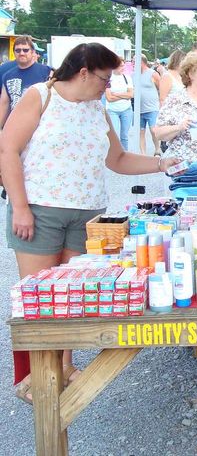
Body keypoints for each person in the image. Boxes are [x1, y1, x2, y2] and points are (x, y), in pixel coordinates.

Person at [0, 43, 181, 404]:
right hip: (40, 210)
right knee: (39, 298)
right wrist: (19, 206)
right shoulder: (40, 97)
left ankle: (64, 365)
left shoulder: (98, 109)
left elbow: (118, 159)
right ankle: (35, 376)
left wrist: (161, 164)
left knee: (70, 298)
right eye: (104, 78)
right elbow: (7, 150)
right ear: (83, 72)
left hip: (86, 215)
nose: (108, 86)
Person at [0, 36, 51, 128]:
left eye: (25, 50)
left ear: (33, 52)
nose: (22, 53)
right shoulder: (7, 76)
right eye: (18, 50)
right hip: (15, 126)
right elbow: (4, 103)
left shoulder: (47, 72)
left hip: (40, 126)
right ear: (14, 53)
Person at [105, 62, 134, 150]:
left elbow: (131, 95)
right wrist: (124, 96)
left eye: (123, 65)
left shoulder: (127, 78)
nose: (123, 67)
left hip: (126, 109)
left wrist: (116, 94)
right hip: (112, 110)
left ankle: (125, 153)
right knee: (115, 135)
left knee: (124, 136)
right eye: (120, 66)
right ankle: (115, 153)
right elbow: (109, 98)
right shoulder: (108, 79)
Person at [137, 55, 161, 155]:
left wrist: (161, 102)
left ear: (142, 62)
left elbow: (161, 88)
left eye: (134, 61)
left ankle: (157, 149)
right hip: (139, 109)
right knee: (141, 132)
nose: (133, 63)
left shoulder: (152, 73)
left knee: (153, 130)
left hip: (152, 107)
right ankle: (143, 154)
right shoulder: (134, 75)